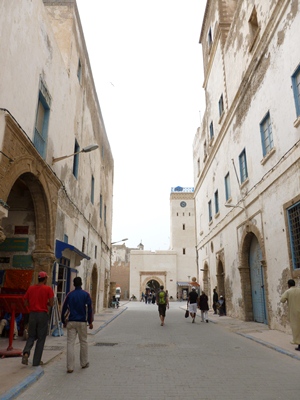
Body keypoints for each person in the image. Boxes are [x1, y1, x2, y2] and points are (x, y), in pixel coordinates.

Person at [61, 276, 94, 373]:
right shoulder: (86, 294)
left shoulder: (69, 295)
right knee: (83, 342)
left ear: (74, 284)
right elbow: (90, 308)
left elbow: (64, 308)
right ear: (81, 284)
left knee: (70, 343)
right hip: (82, 322)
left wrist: (63, 321)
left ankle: (70, 367)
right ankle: (84, 363)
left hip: (71, 321)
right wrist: (90, 321)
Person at [21, 271, 54, 366]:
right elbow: (51, 304)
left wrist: (31, 305)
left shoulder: (31, 288)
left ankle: (26, 353)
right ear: (45, 279)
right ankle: (36, 361)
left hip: (32, 314)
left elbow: (25, 302)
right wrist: (45, 303)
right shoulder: (48, 289)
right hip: (42, 314)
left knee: (31, 336)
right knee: (41, 338)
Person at [280, 279, 300, 351]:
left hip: (294, 313)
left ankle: (299, 344)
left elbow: (282, 300)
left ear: (288, 285)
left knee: (296, 328)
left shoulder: (288, 291)